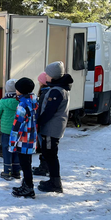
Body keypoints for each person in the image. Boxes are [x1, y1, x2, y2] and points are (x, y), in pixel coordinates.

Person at [37, 62, 73, 194]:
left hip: (51, 129)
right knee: (50, 154)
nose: (45, 75)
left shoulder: (56, 91)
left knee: (50, 155)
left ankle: (55, 183)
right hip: (53, 128)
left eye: (47, 73)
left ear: (52, 76)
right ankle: (53, 180)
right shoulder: (59, 88)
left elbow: (49, 111)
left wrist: (38, 122)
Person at [10, 78, 38, 199]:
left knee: (25, 165)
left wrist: (12, 143)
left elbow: (17, 126)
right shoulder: (34, 100)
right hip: (31, 138)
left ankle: (29, 188)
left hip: (23, 139)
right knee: (27, 163)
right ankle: (26, 184)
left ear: (21, 91)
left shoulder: (22, 105)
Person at [0, 79, 21, 181]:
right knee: (17, 150)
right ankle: (16, 172)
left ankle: (7, 171)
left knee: (7, 150)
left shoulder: (3, 101)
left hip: (6, 131)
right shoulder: (20, 101)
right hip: (18, 130)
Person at [33, 72, 50, 177]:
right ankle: (43, 166)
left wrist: (38, 122)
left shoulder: (45, 94)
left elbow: (41, 110)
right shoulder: (46, 92)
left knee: (44, 147)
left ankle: (44, 168)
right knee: (44, 146)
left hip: (42, 125)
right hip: (42, 125)